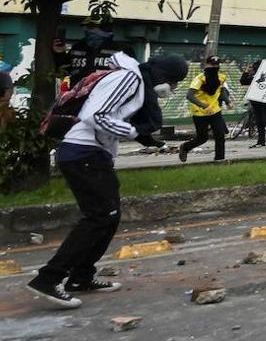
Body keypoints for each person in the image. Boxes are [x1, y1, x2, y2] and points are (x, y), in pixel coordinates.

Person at [26, 52, 188, 308]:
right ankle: (49, 278)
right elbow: (96, 116)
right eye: (175, 82)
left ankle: (81, 276)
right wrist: (133, 132)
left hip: (91, 153)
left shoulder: (134, 81)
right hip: (82, 151)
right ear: (164, 76)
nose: (173, 88)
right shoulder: (128, 78)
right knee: (100, 216)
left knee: (109, 216)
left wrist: (141, 137)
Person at [178, 57, 231, 162]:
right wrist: (203, 105)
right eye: (212, 65)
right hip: (200, 112)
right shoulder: (199, 79)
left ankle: (219, 160)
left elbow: (221, 90)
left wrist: (228, 101)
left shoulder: (221, 77)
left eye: (216, 65)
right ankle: (185, 147)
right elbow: (189, 95)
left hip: (215, 111)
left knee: (220, 135)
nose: (214, 67)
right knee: (202, 138)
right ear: (206, 65)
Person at [240, 60, 266, 149]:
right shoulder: (254, 76)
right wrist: (246, 72)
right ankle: (261, 141)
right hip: (256, 103)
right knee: (259, 122)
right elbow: (243, 82)